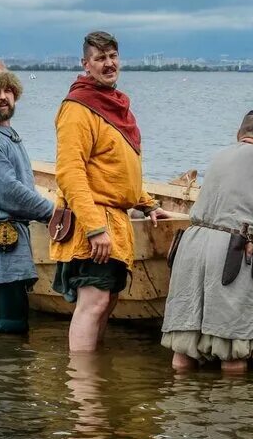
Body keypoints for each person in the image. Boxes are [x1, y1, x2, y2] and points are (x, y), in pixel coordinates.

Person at [50, 31, 179, 351]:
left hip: (115, 223)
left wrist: (147, 204)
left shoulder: (114, 106)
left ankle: (92, 389)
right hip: (93, 223)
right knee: (93, 303)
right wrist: (94, 228)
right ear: (86, 64)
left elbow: (116, 170)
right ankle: (83, 392)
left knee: (105, 301)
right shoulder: (78, 108)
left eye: (113, 57)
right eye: (100, 58)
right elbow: (70, 172)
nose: (109, 64)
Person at [161, 108, 253, 373]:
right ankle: (232, 411)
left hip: (191, 244)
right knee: (233, 347)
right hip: (231, 248)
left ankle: (181, 407)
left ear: (239, 135)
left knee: (184, 346)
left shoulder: (219, 155)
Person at [0, 64, 55, 333]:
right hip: (0, 238)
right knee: (10, 321)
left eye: (8, 90)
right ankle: (4, 373)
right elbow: (8, 192)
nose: (3, 96)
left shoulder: (6, 132)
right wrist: (54, 213)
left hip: (6, 237)